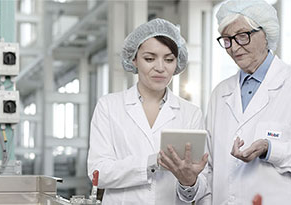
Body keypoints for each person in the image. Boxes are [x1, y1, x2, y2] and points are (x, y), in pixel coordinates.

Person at [87, 18, 208, 205]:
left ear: (177, 62)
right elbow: (98, 172)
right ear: (134, 59)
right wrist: (152, 162)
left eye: (169, 59)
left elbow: (197, 188)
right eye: (149, 58)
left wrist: (188, 181)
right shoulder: (109, 106)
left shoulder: (191, 113)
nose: (160, 67)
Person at [188, 0, 291, 204]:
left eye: (242, 36)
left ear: (266, 33)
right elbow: (208, 167)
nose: (234, 48)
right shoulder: (220, 93)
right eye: (227, 40)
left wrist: (270, 148)